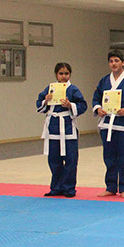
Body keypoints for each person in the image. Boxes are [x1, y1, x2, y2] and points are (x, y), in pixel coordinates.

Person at [92, 50, 124, 198]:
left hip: (123, 124)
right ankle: (111, 186)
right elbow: (96, 98)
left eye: (116, 61)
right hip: (107, 124)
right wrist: (98, 109)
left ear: (123, 62)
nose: (113, 64)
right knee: (109, 157)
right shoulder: (104, 81)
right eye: (111, 61)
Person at [36, 62, 87, 197]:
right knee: (54, 159)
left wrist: (71, 105)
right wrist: (46, 101)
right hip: (53, 128)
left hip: (68, 127)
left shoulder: (73, 89)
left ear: (70, 75)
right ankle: (56, 187)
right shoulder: (50, 88)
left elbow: (83, 105)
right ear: (56, 74)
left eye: (66, 74)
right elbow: (39, 103)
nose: (64, 76)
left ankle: (69, 188)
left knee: (71, 159)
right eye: (61, 73)